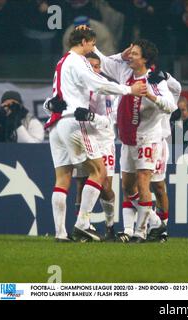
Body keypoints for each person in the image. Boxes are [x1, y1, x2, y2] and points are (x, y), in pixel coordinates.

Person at [44, 28, 144, 242]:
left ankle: (60, 234)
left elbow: (55, 97)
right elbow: (98, 83)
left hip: (56, 124)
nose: (93, 49)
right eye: (91, 44)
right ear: (83, 42)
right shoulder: (79, 62)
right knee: (99, 171)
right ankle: (82, 223)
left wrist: (49, 105)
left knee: (62, 178)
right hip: (73, 121)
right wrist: (128, 90)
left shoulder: (62, 62)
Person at [92, 39, 178, 243]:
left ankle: (140, 231)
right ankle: (157, 223)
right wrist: (92, 43)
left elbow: (171, 107)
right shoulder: (125, 72)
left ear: (145, 59)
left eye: (135, 54)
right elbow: (101, 62)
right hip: (128, 139)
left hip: (148, 139)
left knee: (144, 183)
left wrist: (149, 94)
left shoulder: (154, 80)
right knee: (128, 188)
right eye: (131, 53)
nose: (131, 56)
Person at [72, 52, 119, 242]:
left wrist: (91, 117)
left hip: (103, 140)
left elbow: (108, 121)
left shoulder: (104, 89)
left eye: (98, 66)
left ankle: (110, 226)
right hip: (82, 136)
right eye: (91, 66)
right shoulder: (76, 88)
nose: (95, 70)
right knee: (82, 183)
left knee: (105, 186)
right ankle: (82, 227)